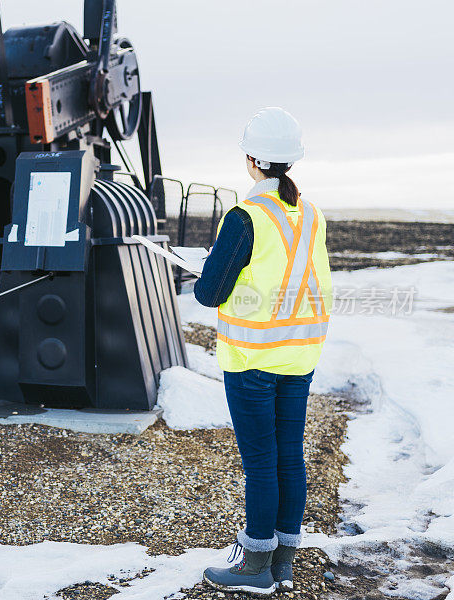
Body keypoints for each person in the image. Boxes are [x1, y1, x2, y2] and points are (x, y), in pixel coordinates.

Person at [194, 107, 333, 595]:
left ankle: (254, 565)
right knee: (288, 458)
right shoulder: (310, 212)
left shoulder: (245, 216)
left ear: (253, 160)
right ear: (291, 161)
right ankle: (283, 562)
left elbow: (210, 293)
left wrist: (209, 273)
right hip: (299, 358)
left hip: (254, 361)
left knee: (261, 464)